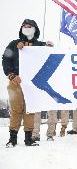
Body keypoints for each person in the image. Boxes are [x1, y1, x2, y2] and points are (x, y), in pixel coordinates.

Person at [2, 19, 48, 147]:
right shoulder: (13, 44)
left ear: (35, 29)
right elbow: (5, 59)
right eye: (25, 26)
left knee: (30, 110)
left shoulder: (40, 45)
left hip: (32, 84)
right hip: (16, 82)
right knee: (16, 110)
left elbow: (48, 58)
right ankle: (12, 139)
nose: (27, 28)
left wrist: (49, 47)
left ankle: (29, 138)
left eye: (30, 26)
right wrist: (11, 75)